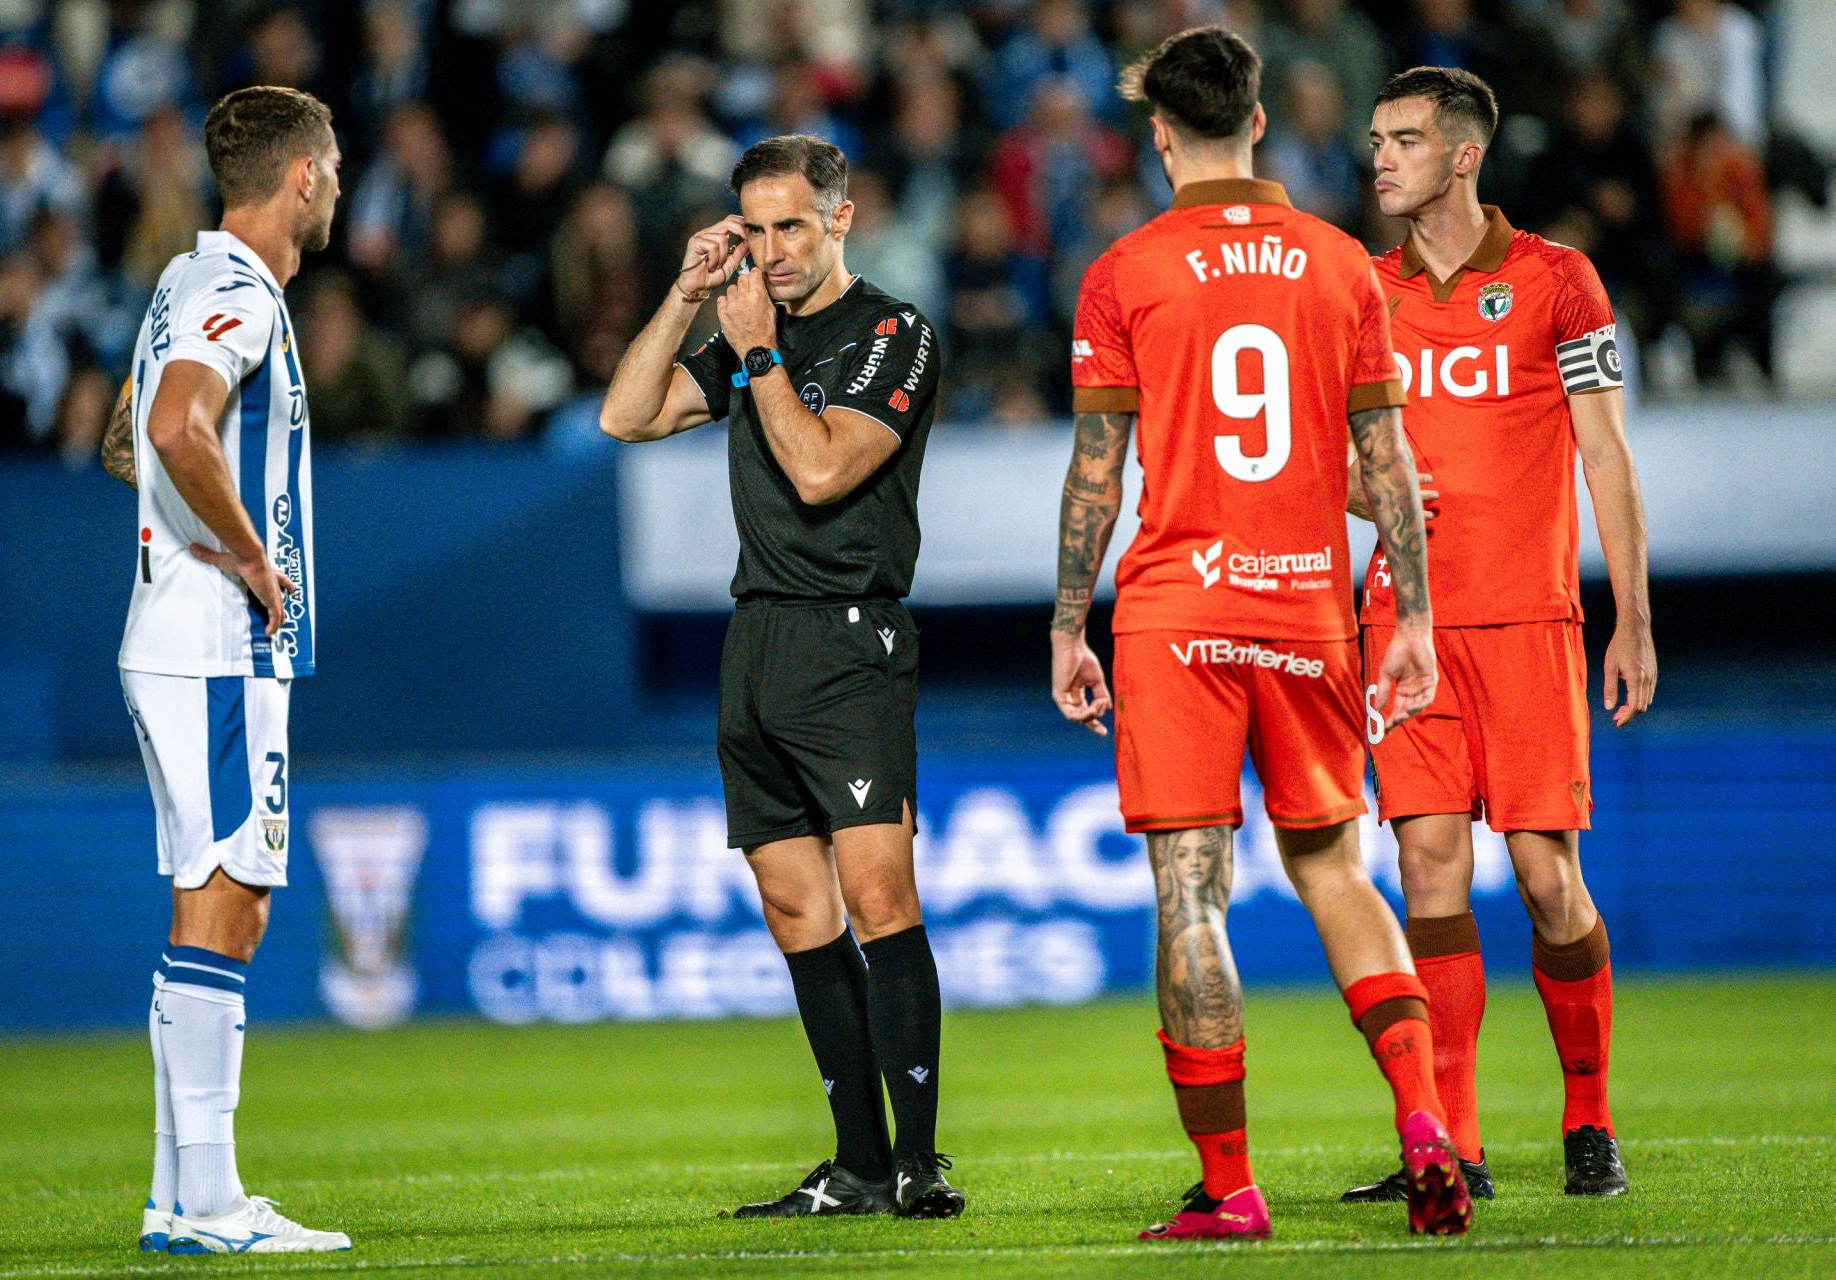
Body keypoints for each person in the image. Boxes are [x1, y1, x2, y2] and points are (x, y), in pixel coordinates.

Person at [1052, 26, 1470, 1242]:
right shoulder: (1342, 263)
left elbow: (1096, 472)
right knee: (1336, 866)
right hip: (1306, 605)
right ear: (1262, 127)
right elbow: (1386, 454)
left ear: (1162, 137)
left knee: (1192, 891)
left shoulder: (1126, 269)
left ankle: (1232, 1187)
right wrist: (1418, 617)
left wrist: (1071, 623)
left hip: (1178, 613)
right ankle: (1425, 1122)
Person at [598, 135, 960, 1220]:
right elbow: (625, 414)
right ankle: (855, 1164)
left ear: (841, 219)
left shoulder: (892, 331)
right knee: (794, 904)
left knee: (879, 892)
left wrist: (755, 353)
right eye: (752, 230)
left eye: (791, 225)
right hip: (756, 640)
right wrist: (685, 295)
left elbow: (818, 470)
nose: (772, 249)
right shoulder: (752, 324)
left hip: (850, 638)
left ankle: (921, 1156)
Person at [1342, 65, 1653, 1205]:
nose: (1381, 157)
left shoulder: (1558, 280)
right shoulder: (1359, 289)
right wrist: (1366, 493)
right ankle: (1452, 1140)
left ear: (1464, 153)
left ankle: (1588, 1116)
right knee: (1428, 863)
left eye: (1406, 139)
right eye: (1377, 138)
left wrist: (1633, 617)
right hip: (1405, 624)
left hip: (1528, 619)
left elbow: (1608, 452)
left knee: (1543, 875)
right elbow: (1319, 450)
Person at [104, 85, 350, 1255]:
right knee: (231, 905)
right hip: (213, 644)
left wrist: (183, 526)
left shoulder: (179, 285)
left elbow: (124, 433)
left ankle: (176, 1193)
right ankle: (209, 1201)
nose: (340, 185)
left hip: (178, 629)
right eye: (335, 166)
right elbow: (168, 430)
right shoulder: (240, 294)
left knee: (208, 895)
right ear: (300, 177)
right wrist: (251, 560)